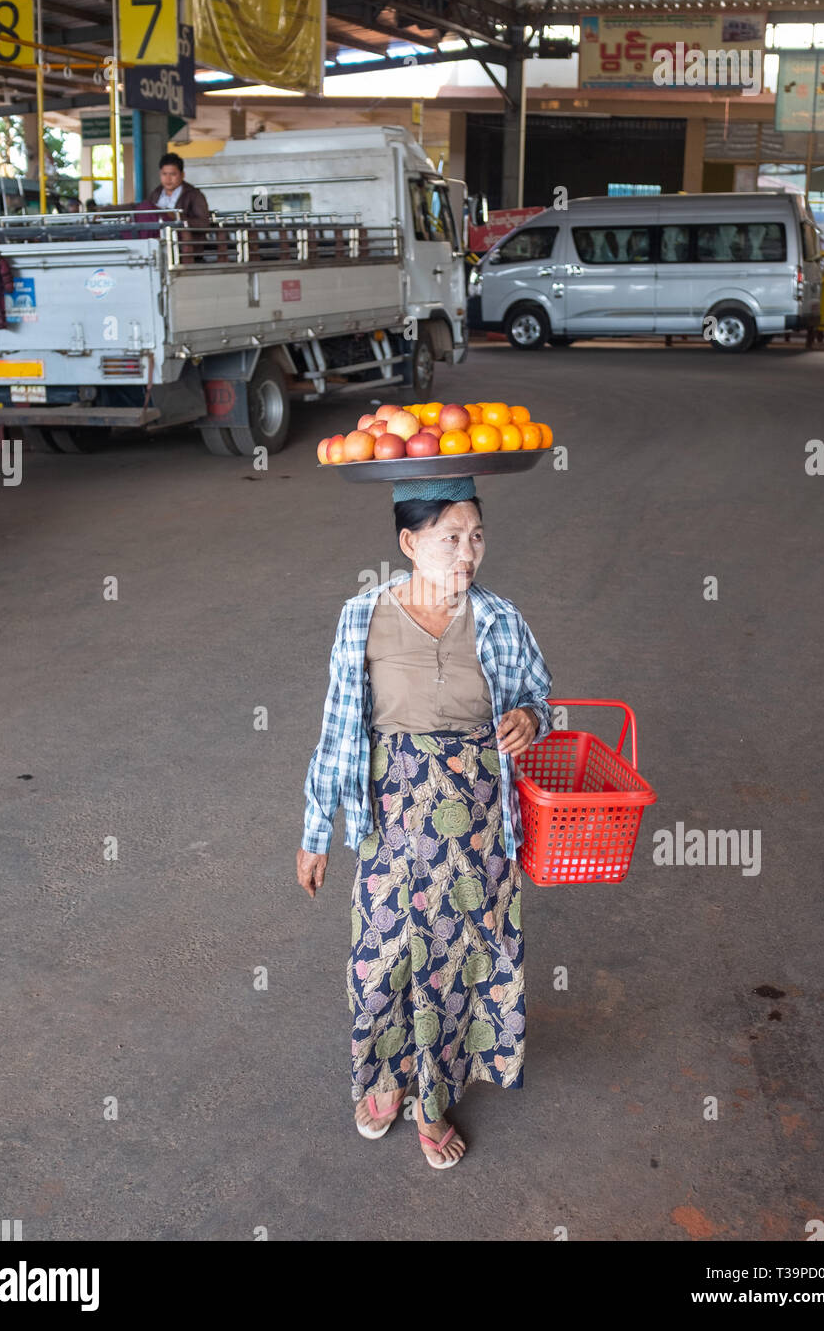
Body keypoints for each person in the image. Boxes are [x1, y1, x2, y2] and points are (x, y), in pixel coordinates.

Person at [296, 475, 553, 1170]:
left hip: (476, 823)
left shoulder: (501, 619)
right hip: (394, 818)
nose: (466, 553)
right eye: (449, 538)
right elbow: (338, 730)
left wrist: (530, 717)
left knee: (464, 959)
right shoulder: (363, 618)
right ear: (410, 543)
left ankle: (433, 1100)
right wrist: (316, 831)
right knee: (381, 957)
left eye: (476, 536)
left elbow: (539, 696)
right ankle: (383, 1082)